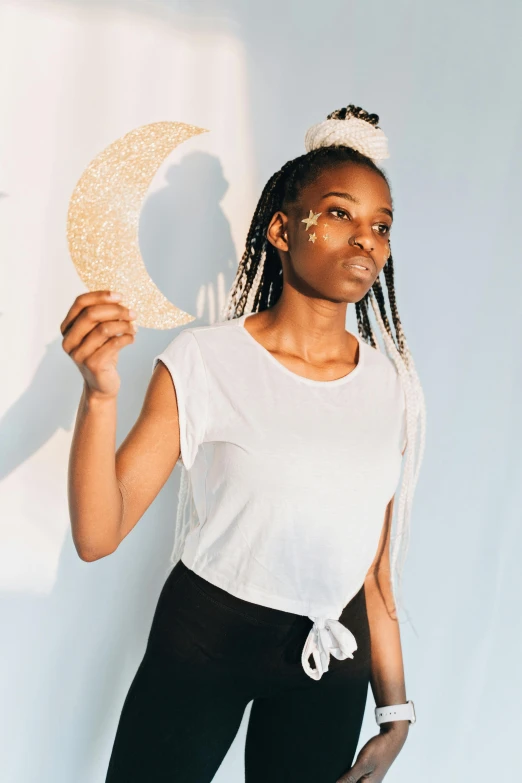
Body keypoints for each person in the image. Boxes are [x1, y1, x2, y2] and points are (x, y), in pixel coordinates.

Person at [61, 104, 426, 783]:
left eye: (381, 225)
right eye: (341, 213)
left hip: (330, 656)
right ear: (283, 229)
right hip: (206, 637)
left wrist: (395, 711)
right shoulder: (205, 361)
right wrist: (99, 395)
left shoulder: (392, 386)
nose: (366, 239)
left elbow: (374, 574)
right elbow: (97, 532)